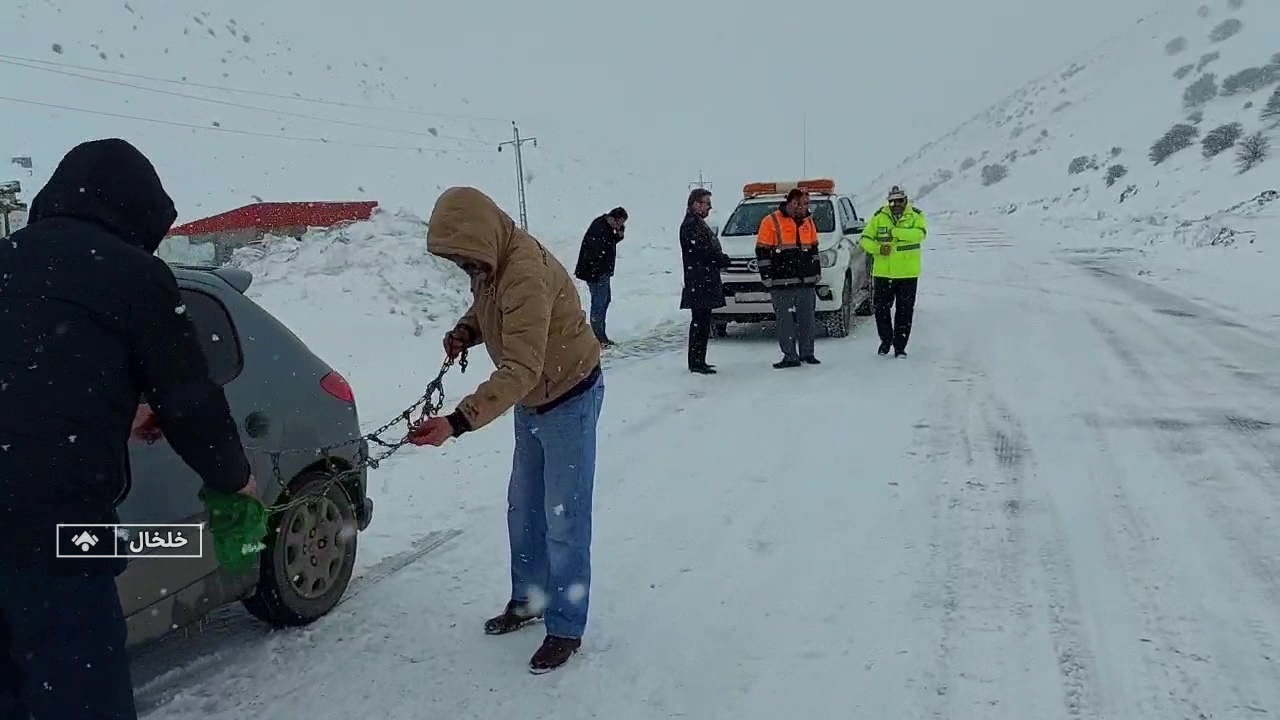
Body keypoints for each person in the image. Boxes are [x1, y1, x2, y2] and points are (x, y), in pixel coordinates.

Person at [0, 138, 256, 720]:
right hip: (59, 530)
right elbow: (190, 400)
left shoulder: (5, 258)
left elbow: (36, 369)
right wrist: (234, 479)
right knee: (79, 695)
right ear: (135, 211)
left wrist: (116, 405)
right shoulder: (135, 276)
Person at [406, 186, 605, 675]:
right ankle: (530, 599)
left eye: (467, 261)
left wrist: (457, 421)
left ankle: (565, 626)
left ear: (483, 237)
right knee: (524, 511)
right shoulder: (492, 260)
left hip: (568, 398)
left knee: (563, 517)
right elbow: (489, 306)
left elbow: (521, 368)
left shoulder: (524, 274)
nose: (467, 271)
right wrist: (466, 331)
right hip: (532, 406)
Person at [755, 187, 821, 368]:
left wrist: (816, 273)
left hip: (805, 281)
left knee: (807, 320)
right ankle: (790, 355)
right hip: (780, 281)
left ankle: (807, 353)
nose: (801, 207)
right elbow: (762, 251)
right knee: (786, 323)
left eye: (805, 204)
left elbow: (814, 249)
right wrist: (766, 276)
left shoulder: (809, 222)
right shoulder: (771, 221)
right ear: (789, 202)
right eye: (797, 203)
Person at [859, 185, 928, 358]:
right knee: (881, 310)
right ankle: (886, 340)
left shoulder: (916, 216)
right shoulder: (879, 217)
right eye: (892, 201)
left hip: (907, 274)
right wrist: (878, 248)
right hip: (883, 273)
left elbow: (920, 234)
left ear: (906, 200)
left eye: (899, 200)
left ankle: (900, 347)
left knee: (904, 312)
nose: (895, 204)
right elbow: (865, 240)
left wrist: (896, 232)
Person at [679, 188, 730, 374]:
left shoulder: (697, 224)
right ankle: (696, 361)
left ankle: (700, 359)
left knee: (703, 322)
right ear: (696, 204)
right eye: (706, 203)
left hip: (703, 279)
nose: (709, 207)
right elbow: (702, 252)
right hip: (699, 281)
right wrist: (720, 259)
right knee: (699, 322)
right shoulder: (691, 225)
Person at [573, 207, 627, 346]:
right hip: (597, 274)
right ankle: (599, 338)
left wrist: (618, 236)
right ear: (613, 218)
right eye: (619, 223)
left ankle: (600, 336)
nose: (620, 226)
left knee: (604, 300)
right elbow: (595, 251)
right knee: (599, 304)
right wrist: (596, 273)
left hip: (601, 272)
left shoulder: (605, 226)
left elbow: (608, 244)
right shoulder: (600, 228)